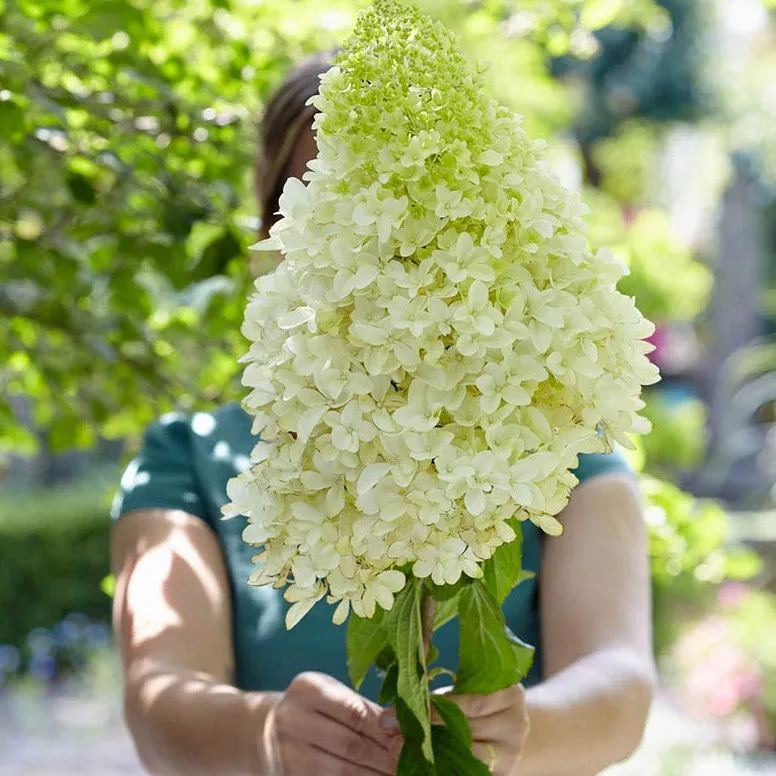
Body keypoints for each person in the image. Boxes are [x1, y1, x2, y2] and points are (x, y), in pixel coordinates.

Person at [111, 52, 655, 776]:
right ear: (278, 229)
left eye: (411, 197)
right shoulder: (189, 458)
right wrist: (263, 735)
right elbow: (158, 704)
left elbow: (621, 684)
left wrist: (528, 732)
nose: (385, 231)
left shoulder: (554, 433)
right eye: (338, 195)